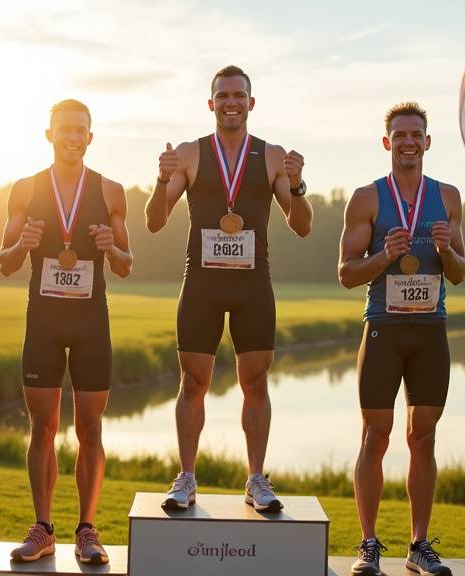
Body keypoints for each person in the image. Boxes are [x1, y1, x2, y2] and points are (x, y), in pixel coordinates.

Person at [144, 65, 313, 512]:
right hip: (202, 283)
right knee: (193, 381)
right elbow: (154, 221)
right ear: (211, 103)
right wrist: (161, 180)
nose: (231, 103)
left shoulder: (273, 156)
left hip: (253, 286)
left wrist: (296, 185)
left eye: (239, 96)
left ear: (251, 103)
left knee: (254, 382)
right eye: (223, 96)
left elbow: (302, 226)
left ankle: (256, 479)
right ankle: (186, 478)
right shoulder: (189, 154)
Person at [0, 99, 132, 564]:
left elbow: (127, 265)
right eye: (64, 129)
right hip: (44, 323)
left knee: (90, 427)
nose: (73, 136)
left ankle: (88, 530)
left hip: (92, 322)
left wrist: (112, 247)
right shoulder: (25, 189)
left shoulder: (111, 191)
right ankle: (43, 528)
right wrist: (21, 244)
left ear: (90, 137)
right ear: (49, 134)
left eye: (81, 130)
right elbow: (4, 261)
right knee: (44, 427)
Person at [337, 102, 465, 576]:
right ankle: (369, 543)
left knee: (423, 437)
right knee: (376, 435)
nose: (408, 141)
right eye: (400, 134)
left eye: (416, 134)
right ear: (386, 142)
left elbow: (459, 273)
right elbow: (345, 274)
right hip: (384, 329)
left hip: (430, 331)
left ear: (427, 142)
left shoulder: (448, 197)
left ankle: (418, 545)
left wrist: (445, 249)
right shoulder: (366, 199)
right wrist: (383, 257)